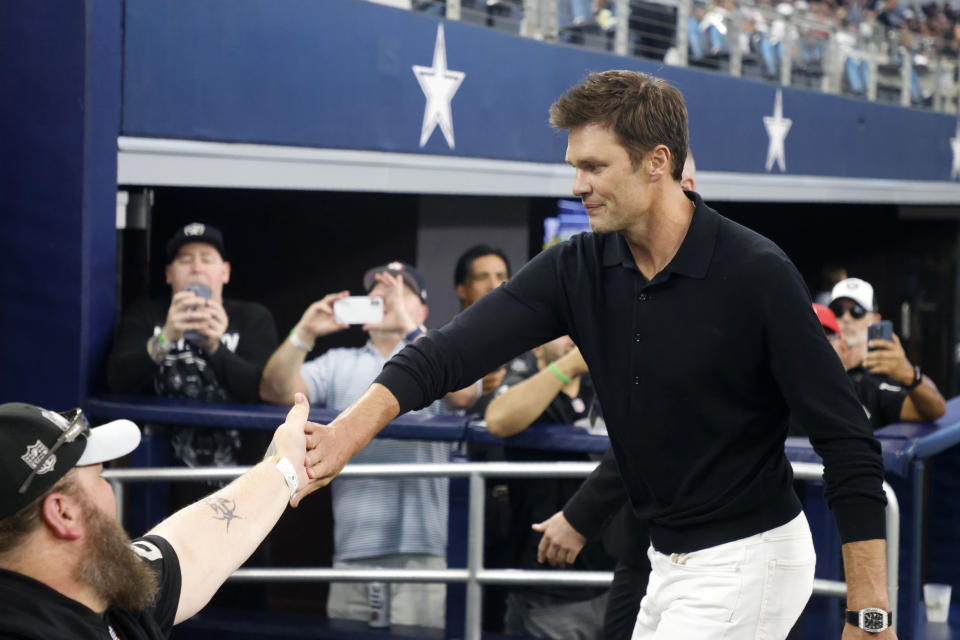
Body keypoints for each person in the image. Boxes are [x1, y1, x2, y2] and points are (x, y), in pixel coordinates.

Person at [295, 71, 894, 639]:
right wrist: (348, 433)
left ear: (657, 162)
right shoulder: (576, 267)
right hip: (666, 560)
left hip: (750, 558)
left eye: (594, 167)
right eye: (575, 166)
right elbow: (447, 352)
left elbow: (847, 443)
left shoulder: (757, 273)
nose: (577, 184)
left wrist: (869, 612)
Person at [526, 147, 698, 640]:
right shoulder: (602, 273)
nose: (581, 185)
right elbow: (477, 364)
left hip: (719, 547)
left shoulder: (731, 277)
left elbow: (665, 424)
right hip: (641, 544)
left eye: (595, 168)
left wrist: (580, 515)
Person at [259, 261, 473, 629]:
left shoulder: (439, 357)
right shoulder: (339, 363)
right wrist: (304, 333)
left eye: (398, 289)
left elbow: (466, 394)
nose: (384, 295)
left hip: (423, 549)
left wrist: (411, 327)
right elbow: (274, 390)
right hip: (354, 549)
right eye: (376, 290)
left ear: (421, 309)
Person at [0, 395, 312, 639]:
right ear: (63, 513)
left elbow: (190, 548)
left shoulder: (97, 586)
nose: (109, 490)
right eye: (99, 476)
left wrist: (284, 468)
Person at [106, 222, 279, 472]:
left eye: (207, 259)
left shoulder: (252, 317)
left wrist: (215, 347)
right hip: (158, 470)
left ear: (225, 272)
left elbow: (264, 391)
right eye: (185, 260)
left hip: (237, 471)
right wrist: (166, 337)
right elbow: (116, 380)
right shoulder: (146, 314)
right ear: (169, 274)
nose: (197, 268)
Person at [483, 337, 615, 638]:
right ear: (537, 346)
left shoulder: (604, 384)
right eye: (563, 329)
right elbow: (498, 419)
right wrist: (568, 365)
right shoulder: (525, 382)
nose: (574, 336)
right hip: (549, 586)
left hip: (614, 576)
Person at [827, 278, 946, 427]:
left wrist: (909, 375)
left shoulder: (878, 381)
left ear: (875, 320)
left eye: (857, 312)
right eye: (838, 311)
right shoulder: (815, 371)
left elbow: (936, 410)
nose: (845, 318)